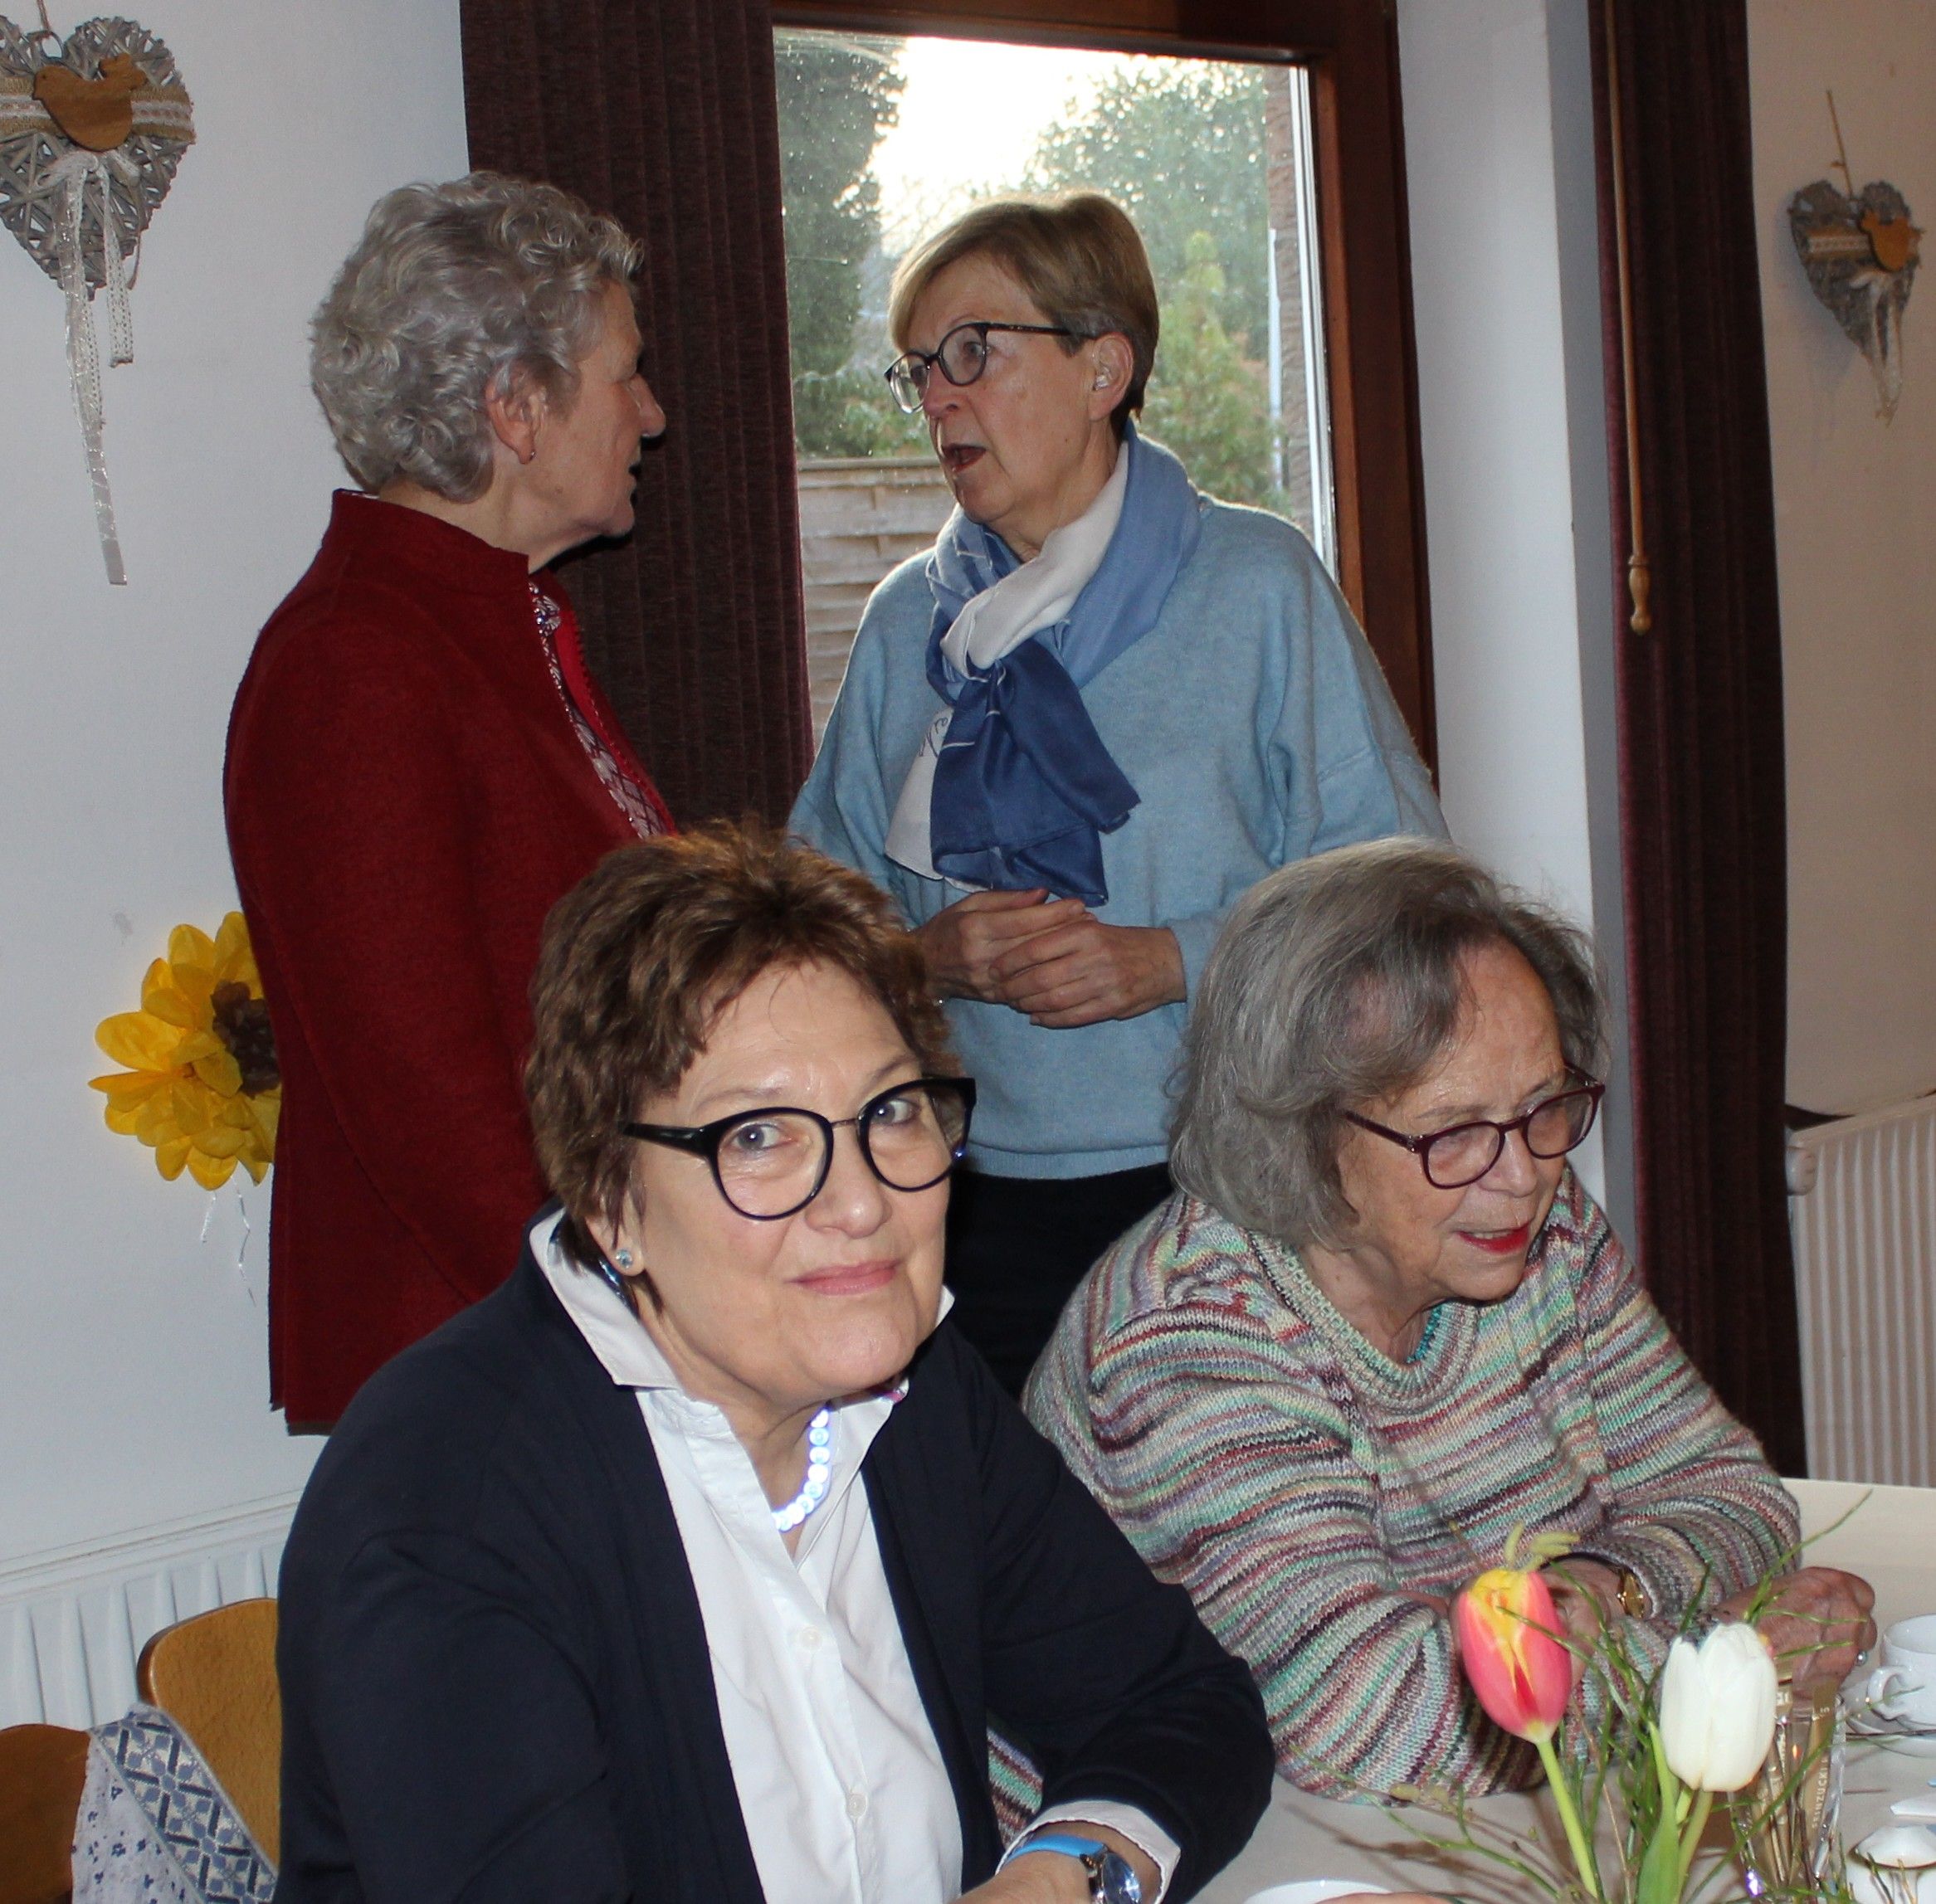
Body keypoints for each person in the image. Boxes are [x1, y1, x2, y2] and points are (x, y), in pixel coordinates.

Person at [274, 825, 1276, 1903]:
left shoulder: (917, 1393)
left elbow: (1178, 1705)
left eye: (890, 1111)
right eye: (757, 1136)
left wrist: (1060, 1874)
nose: (862, 1201)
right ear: (610, 1200)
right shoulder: (448, 1501)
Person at [1026, 838, 1875, 1801]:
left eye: (1543, 1108)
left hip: (1480, 1818)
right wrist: (1720, 1674)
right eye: (1455, 1132)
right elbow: (1370, 1726)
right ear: (1298, 1134)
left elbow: (1729, 1492)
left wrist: (1602, 1588)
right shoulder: (1186, 1337)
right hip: (1167, 1842)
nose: (1522, 1175)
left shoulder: (1533, 1232)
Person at [792, 193, 1444, 1396]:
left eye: (973, 353)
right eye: (919, 368)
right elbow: (805, 924)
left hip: (1230, 1194)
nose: (937, 398)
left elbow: (1401, 898)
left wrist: (1170, 960)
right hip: (962, 1205)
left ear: (1103, 368)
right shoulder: (901, 625)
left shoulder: (1255, 584)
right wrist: (928, 958)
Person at [225, 173, 673, 1427]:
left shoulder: (480, 625)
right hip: (497, 1361)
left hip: (561, 1331)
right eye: (625, 374)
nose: (650, 413)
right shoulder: (355, 660)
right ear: (517, 407)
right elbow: (428, 1102)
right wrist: (641, 1320)